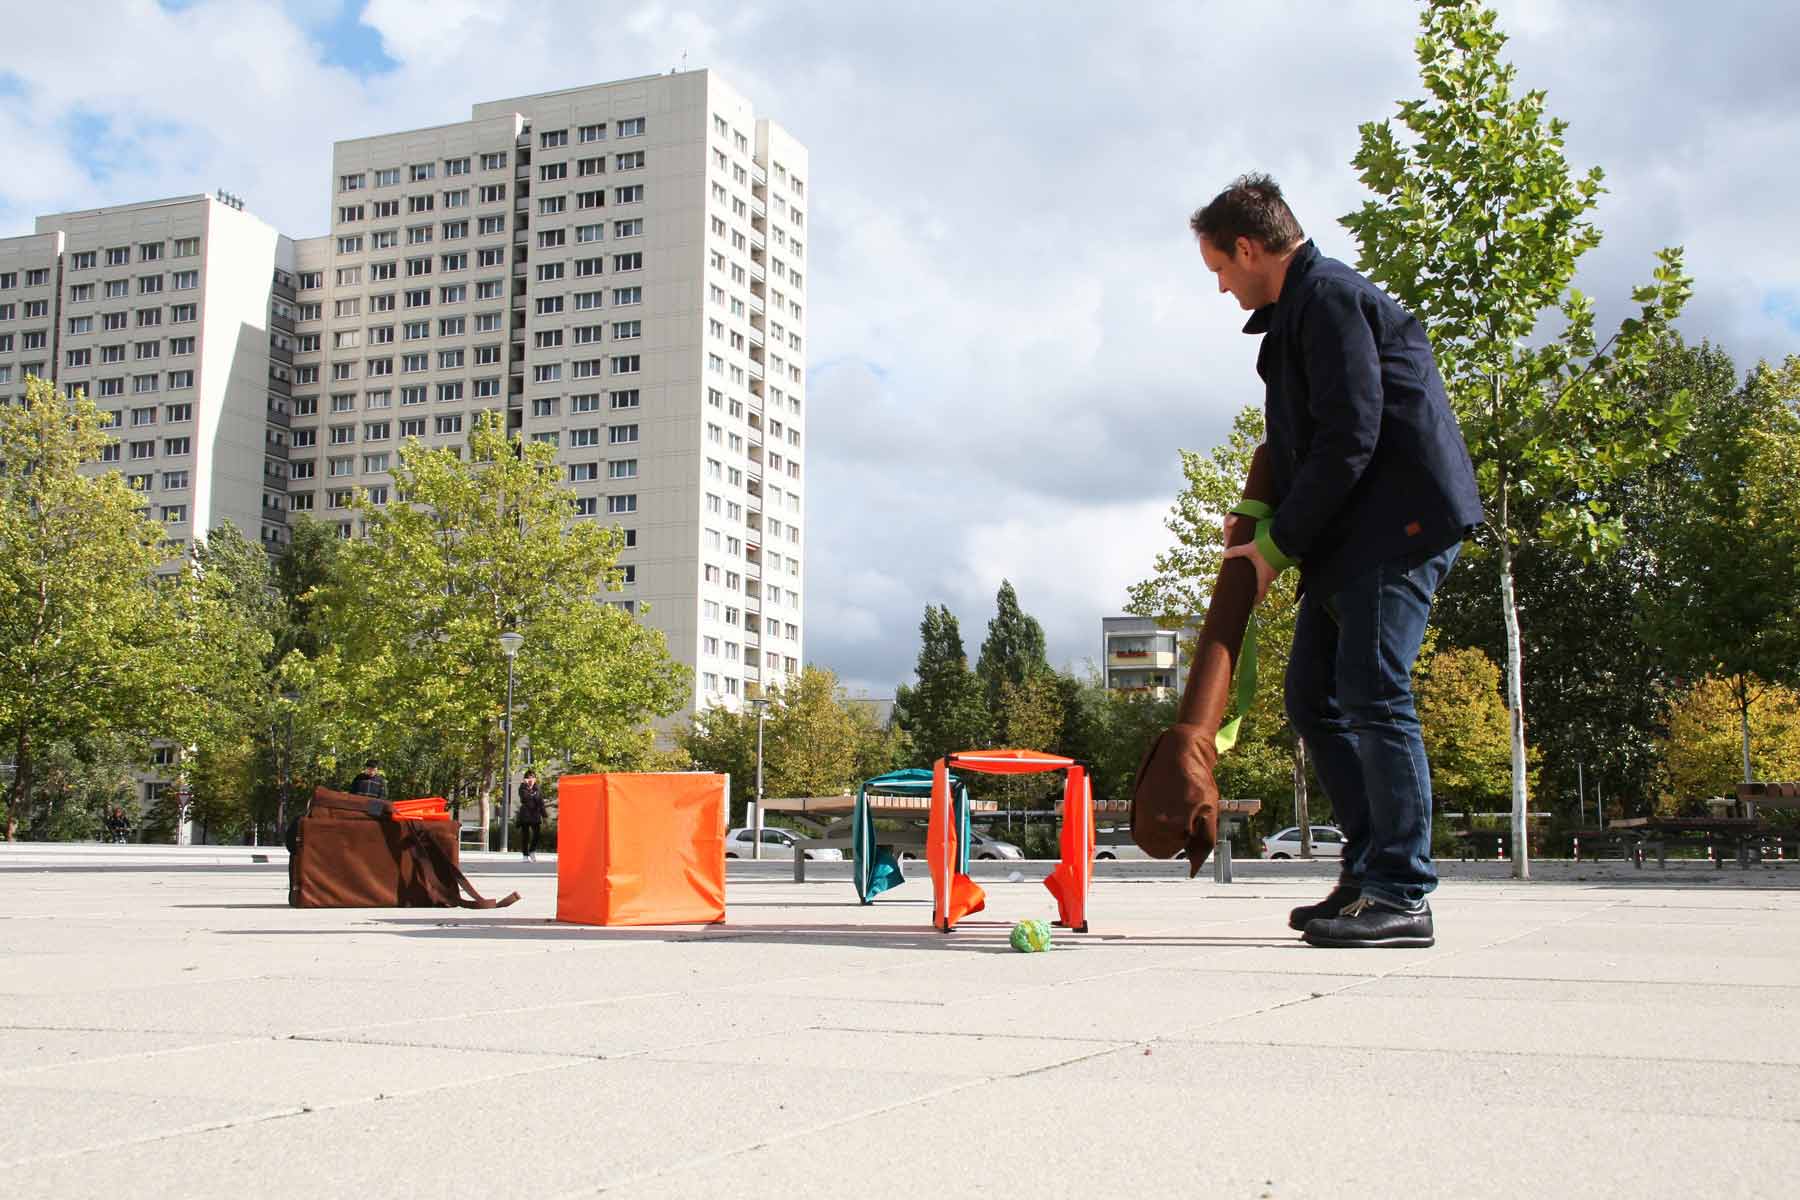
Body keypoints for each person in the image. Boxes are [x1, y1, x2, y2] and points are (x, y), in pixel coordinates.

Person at [1192, 174, 1483, 949]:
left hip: (1396, 525)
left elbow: (1351, 435)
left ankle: (1402, 891)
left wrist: (1276, 548)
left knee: (1373, 692)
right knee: (1313, 697)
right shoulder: (1295, 317)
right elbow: (1299, 443)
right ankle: (1366, 874)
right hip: (1352, 535)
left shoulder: (1328, 299)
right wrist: (1258, 517)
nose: (1220, 286)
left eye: (1220, 267)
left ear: (1250, 248)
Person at [516, 768, 546, 861]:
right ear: (525, 779)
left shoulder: (538, 788)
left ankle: (532, 851)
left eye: (532, 778)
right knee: (526, 836)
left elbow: (540, 802)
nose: (531, 780)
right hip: (525, 814)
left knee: (537, 834)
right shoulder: (522, 788)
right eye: (528, 778)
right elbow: (524, 798)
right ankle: (525, 855)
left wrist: (544, 815)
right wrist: (528, 787)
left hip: (535, 814)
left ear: (535, 779)